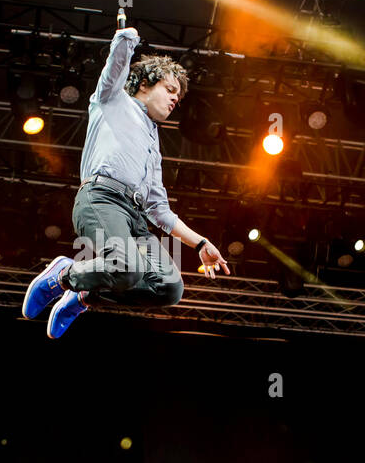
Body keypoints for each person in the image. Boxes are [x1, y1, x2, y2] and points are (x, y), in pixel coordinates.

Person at [21, 25, 230, 338]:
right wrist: (127, 38)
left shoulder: (152, 141)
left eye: (179, 96)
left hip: (134, 216)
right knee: (127, 267)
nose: (176, 99)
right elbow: (115, 67)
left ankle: (83, 297)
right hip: (101, 198)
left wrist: (199, 242)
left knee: (169, 288)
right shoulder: (112, 99)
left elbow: (159, 209)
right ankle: (61, 276)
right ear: (145, 84)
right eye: (170, 89)